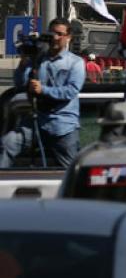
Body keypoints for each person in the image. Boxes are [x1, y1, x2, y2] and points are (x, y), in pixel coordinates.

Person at [0, 18, 85, 168]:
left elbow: (71, 91)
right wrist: (24, 62)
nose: (55, 38)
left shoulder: (75, 62)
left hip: (63, 126)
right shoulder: (39, 59)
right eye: (52, 33)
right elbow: (20, 83)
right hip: (37, 121)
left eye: (60, 34)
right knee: (9, 142)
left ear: (68, 37)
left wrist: (43, 89)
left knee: (71, 169)